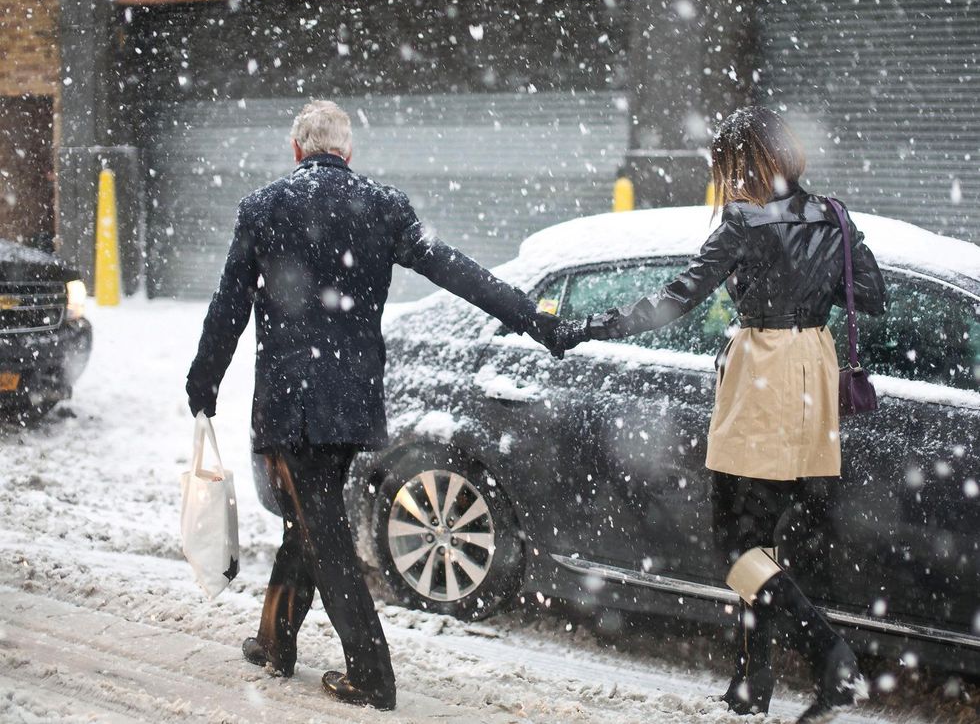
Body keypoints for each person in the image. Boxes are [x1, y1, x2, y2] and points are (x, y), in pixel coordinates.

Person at [185, 100, 561, 711]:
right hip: (350, 401)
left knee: (322, 529)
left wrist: (203, 383)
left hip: (292, 405)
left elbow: (227, 310)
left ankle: (371, 672)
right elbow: (459, 272)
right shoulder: (383, 207)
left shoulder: (262, 209)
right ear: (348, 152)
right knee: (309, 516)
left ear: (296, 149)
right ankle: (274, 640)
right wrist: (530, 318)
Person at [552, 106, 886, 723]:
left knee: (733, 546)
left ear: (746, 163)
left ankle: (831, 655)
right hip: (813, 372)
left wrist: (589, 327)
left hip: (763, 373)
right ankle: (750, 686)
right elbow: (871, 295)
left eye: (729, 166)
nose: (727, 180)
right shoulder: (833, 216)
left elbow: (676, 298)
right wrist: (811, 279)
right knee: (764, 541)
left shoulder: (743, 222)